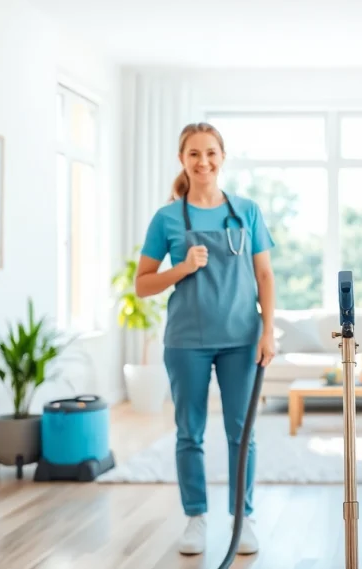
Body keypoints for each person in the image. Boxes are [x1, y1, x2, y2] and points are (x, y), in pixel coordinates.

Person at [135, 122, 276, 556]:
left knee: (242, 432)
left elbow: (265, 274)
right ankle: (196, 518)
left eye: (211, 153)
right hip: (186, 341)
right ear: (182, 160)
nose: (203, 162)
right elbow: (142, 284)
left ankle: (242, 519)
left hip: (241, 339)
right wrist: (182, 267)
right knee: (189, 432)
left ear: (222, 157)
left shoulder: (247, 211)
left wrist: (268, 330)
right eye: (194, 154)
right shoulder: (166, 219)